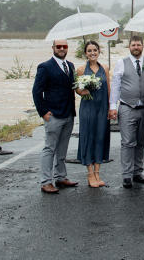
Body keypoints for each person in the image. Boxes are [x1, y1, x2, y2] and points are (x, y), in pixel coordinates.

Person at [31, 39, 78, 194]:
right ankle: (46, 181)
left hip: (68, 113)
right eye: (59, 46)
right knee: (49, 148)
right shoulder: (45, 67)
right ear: (53, 48)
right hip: (53, 115)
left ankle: (61, 177)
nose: (62, 49)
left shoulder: (70, 66)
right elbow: (37, 92)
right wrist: (43, 112)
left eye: (65, 46)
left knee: (62, 149)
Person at [110, 34, 144, 187]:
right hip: (127, 107)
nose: (136, 47)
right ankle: (127, 175)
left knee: (141, 141)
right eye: (133, 45)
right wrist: (113, 106)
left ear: (142, 46)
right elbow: (115, 85)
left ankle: (138, 172)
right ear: (129, 47)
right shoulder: (122, 62)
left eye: (138, 45)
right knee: (127, 142)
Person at [75, 40, 111, 188]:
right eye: (89, 51)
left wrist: (111, 107)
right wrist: (83, 91)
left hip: (102, 107)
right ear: (85, 53)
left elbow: (108, 88)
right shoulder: (81, 70)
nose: (92, 53)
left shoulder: (105, 68)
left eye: (95, 50)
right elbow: (77, 89)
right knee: (88, 138)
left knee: (100, 138)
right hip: (88, 108)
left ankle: (97, 173)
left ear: (99, 51)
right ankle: (90, 174)